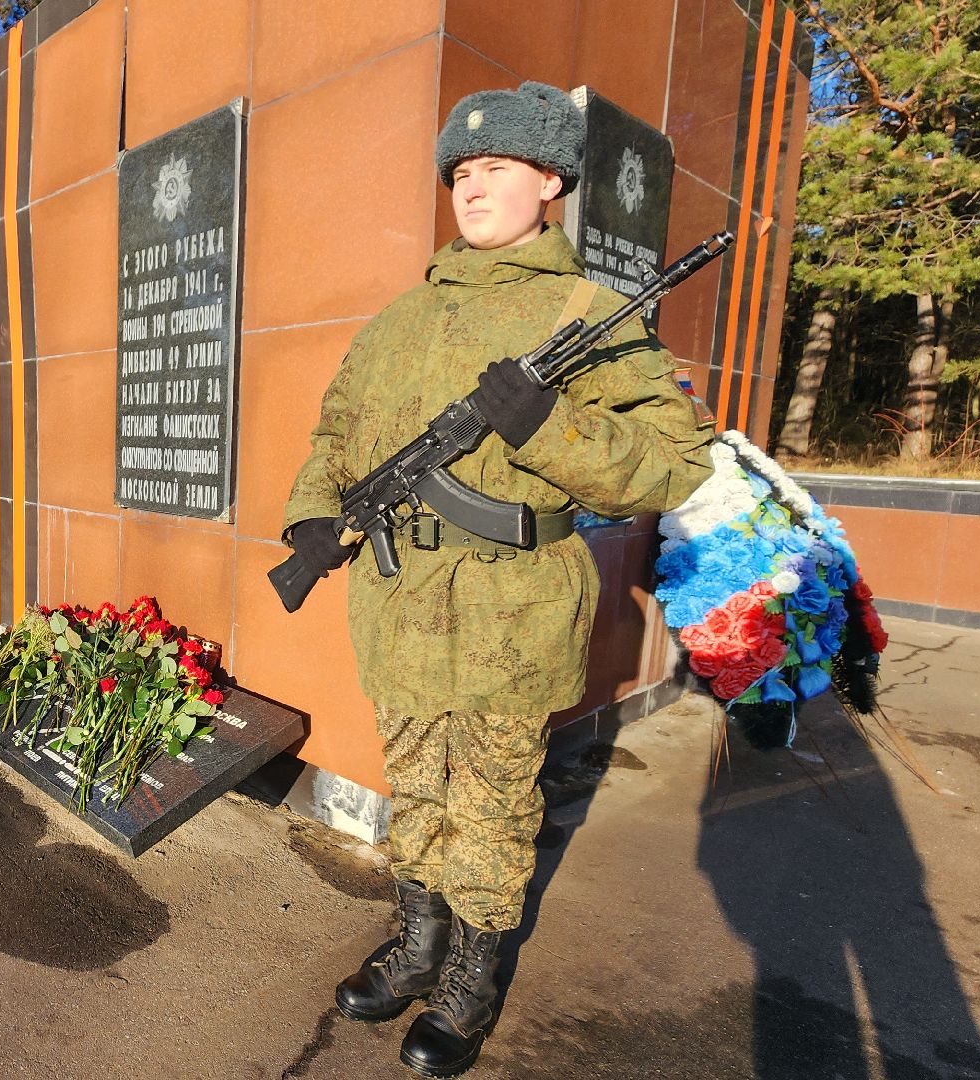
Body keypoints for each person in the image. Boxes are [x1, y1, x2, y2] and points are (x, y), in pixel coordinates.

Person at [281, 81, 715, 1077]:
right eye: (461, 172)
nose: (472, 187)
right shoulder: (397, 320)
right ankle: (418, 945)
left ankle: (471, 974)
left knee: (493, 798)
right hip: (396, 598)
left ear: (550, 182)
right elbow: (336, 435)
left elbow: (670, 463)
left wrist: (544, 424)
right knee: (417, 784)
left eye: (497, 168)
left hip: (509, 604)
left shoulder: (588, 313)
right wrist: (312, 513)